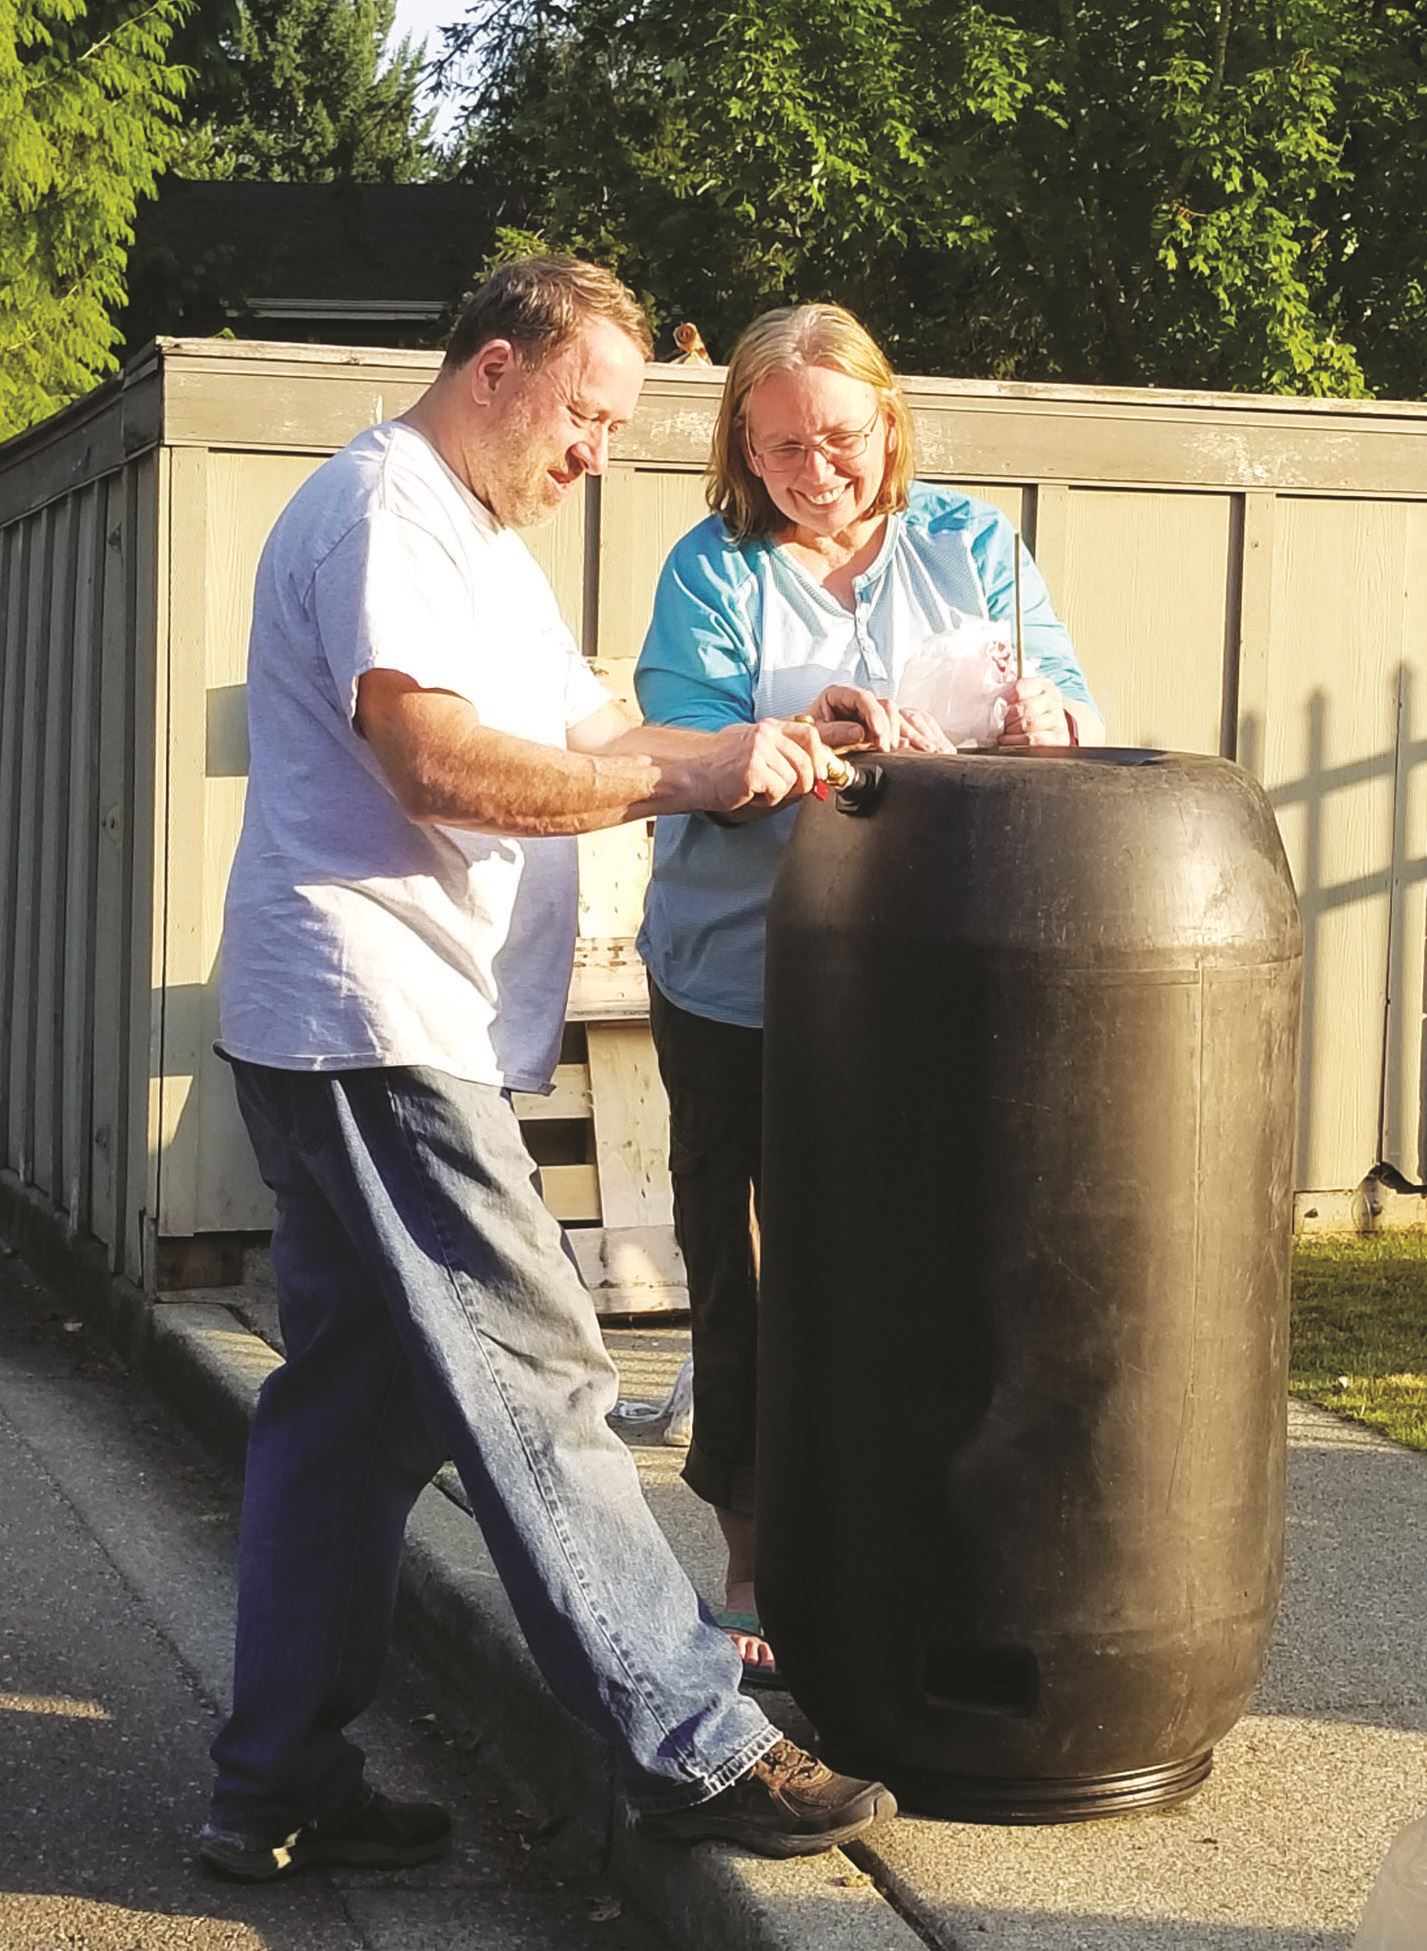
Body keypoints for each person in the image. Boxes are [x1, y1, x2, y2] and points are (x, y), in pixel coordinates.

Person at [200, 258, 899, 1882]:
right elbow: (434, 761)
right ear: (497, 369)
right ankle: (692, 1745)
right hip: (382, 1029)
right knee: (540, 1381)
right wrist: (686, 784)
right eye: (587, 413)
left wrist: (772, 742)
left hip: (359, 1034)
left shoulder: (484, 550)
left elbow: (594, 732)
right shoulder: (388, 514)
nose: (599, 449)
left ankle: (275, 1785)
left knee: (348, 1421)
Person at [635, 302, 1103, 1684]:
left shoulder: (971, 546)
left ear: (888, 423)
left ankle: (915, 1545)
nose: (812, 468)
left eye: (837, 435)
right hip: (747, 980)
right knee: (754, 1282)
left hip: (935, 985)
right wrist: (791, 735)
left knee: (933, 1274)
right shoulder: (711, 570)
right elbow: (678, 750)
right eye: (778, 446)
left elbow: (1078, 712)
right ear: (742, 446)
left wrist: (1043, 725)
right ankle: (754, 1570)